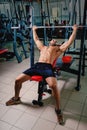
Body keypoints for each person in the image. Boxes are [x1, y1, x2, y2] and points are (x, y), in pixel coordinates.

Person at [6, 24, 78, 125]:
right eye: (52, 40)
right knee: (17, 80)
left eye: (55, 40)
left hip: (47, 68)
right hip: (37, 66)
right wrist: (34, 29)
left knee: (53, 85)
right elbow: (36, 39)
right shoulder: (43, 47)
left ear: (56, 44)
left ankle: (58, 110)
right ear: (49, 42)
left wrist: (74, 30)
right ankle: (16, 98)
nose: (53, 40)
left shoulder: (58, 49)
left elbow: (69, 42)